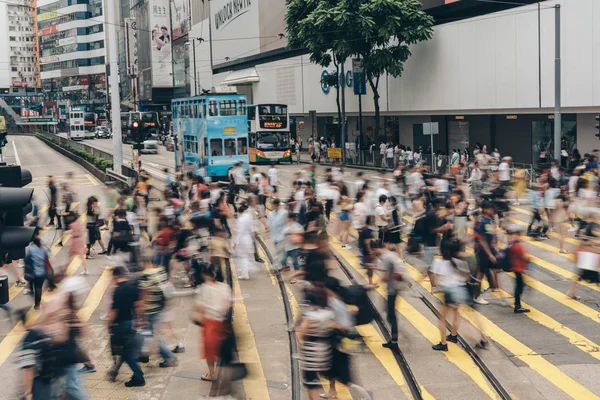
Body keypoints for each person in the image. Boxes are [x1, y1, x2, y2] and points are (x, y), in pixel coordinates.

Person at [192, 263, 232, 382]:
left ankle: (212, 373)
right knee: (222, 348)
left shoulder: (203, 289)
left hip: (209, 323)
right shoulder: (225, 287)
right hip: (222, 323)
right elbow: (228, 304)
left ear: (204, 275)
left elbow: (199, 308)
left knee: (209, 350)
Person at [138, 253, 179, 368]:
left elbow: (144, 295)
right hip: (160, 308)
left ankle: (169, 356)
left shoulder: (145, 275)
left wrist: (141, 311)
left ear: (143, 263)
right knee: (148, 334)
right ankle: (144, 354)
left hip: (150, 310)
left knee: (150, 335)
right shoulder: (160, 271)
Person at [107, 266, 145, 387]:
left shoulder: (118, 291)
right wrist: (139, 319)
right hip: (132, 322)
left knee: (127, 353)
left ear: (115, 276)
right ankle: (116, 371)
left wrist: (108, 325)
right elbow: (138, 305)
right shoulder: (132, 286)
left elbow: (114, 311)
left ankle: (139, 377)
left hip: (121, 325)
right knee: (126, 349)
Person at [431, 240, 471, 351]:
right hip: (459, 291)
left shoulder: (440, 263)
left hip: (449, 293)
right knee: (456, 313)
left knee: (442, 319)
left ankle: (443, 343)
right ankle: (453, 335)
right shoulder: (461, 263)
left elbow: (437, 281)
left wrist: (440, 287)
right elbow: (465, 277)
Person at [473, 201, 499, 305]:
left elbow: (491, 236)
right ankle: (476, 296)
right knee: (480, 274)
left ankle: (493, 287)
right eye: (491, 209)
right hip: (482, 251)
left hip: (488, 249)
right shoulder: (482, 221)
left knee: (492, 270)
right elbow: (482, 239)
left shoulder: (489, 220)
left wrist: (494, 249)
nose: (493, 211)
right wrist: (490, 254)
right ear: (486, 209)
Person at [379, 242, 404, 348]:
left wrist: (380, 278)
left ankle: (394, 340)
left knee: (391, 315)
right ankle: (394, 338)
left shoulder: (385, 257)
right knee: (390, 313)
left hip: (392, 289)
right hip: (395, 288)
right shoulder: (392, 254)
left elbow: (384, 277)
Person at [506, 226, 531, 313]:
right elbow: (525, 258)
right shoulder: (518, 246)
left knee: (519, 285)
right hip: (518, 268)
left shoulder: (511, 244)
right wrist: (529, 259)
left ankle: (517, 303)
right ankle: (517, 305)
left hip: (514, 267)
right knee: (519, 286)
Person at [24, 236, 50, 310]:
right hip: (42, 273)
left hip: (33, 272)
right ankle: (37, 304)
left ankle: (31, 289)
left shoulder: (31, 249)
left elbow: (27, 259)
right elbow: (47, 258)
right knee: (38, 288)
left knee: (32, 282)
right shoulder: (44, 249)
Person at [233, 203, 255, 280]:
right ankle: (244, 270)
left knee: (242, 257)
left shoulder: (241, 219)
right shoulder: (249, 216)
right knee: (245, 256)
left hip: (242, 239)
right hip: (248, 238)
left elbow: (239, 232)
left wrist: (236, 242)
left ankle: (244, 273)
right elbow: (252, 229)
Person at [268, 199, 288, 272]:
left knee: (277, 252)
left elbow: (287, 223)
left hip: (282, 236)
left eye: (273, 205)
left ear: (277, 205)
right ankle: (285, 265)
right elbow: (271, 224)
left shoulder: (284, 213)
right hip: (274, 236)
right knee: (281, 252)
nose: (272, 207)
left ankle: (275, 267)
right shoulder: (272, 213)